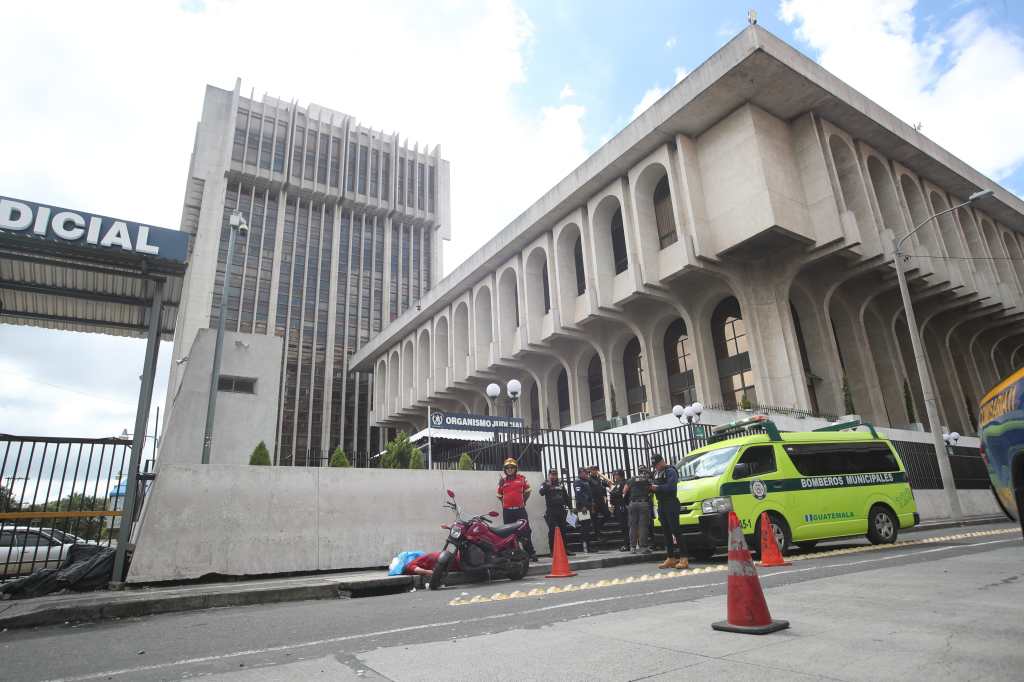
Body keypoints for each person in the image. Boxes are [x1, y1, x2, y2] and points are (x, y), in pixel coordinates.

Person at [650, 454, 689, 569]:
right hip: (661, 503)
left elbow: (671, 487)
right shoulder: (656, 473)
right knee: (666, 531)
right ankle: (671, 557)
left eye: (657, 464)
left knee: (676, 530)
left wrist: (656, 488)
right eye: (654, 465)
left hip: (671, 503)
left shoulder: (671, 471)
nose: (656, 467)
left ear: (662, 461)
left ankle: (684, 557)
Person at [496, 458, 538, 561]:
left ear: (516, 468)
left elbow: (528, 491)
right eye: (507, 468)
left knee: (526, 531)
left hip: (520, 510)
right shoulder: (502, 481)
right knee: (509, 534)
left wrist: (523, 502)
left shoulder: (522, 478)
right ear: (505, 469)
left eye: (512, 467)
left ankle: (531, 553)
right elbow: (499, 495)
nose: (510, 469)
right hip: (508, 512)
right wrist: (505, 503)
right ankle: (513, 555)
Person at [538, 468, 574, 556]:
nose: (554, 476)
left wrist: (571, 508)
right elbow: (541, 492)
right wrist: (548, 484)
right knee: (552, 531)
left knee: (563, 530)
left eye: (555, 474)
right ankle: (552, 551)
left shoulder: (560, 484)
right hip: (551, 511)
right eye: (552, 474)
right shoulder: (545, 484)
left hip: (561, 510)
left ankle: (565, 549)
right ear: (549, 475)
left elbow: (566, 496)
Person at [623, 466, 653, 554]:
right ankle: (643, 547)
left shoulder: (632, 479)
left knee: (633, 526)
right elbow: (652, 489)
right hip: (643, 503)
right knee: (643, 526)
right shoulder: (647, 480)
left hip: (632, 503)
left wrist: (628, 502)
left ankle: (632, 547)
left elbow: (624, 491)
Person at [571, 466, 599, 553]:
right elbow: (579, 495)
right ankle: (586, 546)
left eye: (587, 473)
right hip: (583, 507)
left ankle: (587, 545)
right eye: (585, 473)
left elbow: (595, 485)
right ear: (580, 473)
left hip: (588, 506)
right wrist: (583, 506)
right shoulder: (578, 482)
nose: (587, 474)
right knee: (585, 527)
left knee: (587, 526)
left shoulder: (587, 481)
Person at [608, 469, 630, 552]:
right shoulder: (617, 484)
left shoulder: (623, 483)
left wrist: (611, 490)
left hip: (622, 507)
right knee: (623, 527)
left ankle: (627, 544)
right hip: (618, 507)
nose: (614, 477)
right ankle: (626, 544)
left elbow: (620, 494)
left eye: (615, 475)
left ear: (620, 475)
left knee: (625, 526)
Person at [588, 466, 611, 535]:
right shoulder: (588, 479)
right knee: (594, 518)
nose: (595, 471)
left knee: (607, 514)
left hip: (601, 501)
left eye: (596, 470)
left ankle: (598, 526)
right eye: (593, 470)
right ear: (590, 471)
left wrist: (608, 483)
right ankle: (597, 533)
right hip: (593, 502)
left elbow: (608, 484)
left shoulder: (600, 479)